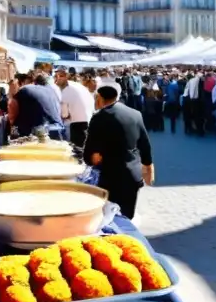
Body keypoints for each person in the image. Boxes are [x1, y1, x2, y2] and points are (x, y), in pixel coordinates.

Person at [83, 86, 155, 219]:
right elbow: (145, 144)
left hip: (110, 176)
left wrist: (91, 158)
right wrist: (148, 166)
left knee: (110, 218)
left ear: (100, 98)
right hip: (132, 174)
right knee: (127, 217)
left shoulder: (99, 117)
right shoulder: (135, 114)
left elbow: (90, 151)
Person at [9, 72, 63, 139]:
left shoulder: (25, 89)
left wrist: (11, 95)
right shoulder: (51, 91)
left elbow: (11, 108)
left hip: (37, 132)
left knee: (15, 133)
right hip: (56, 129)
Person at [55, 68, 96, 147]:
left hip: (77, 124)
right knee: (84, 146)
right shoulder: (78, 86)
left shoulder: (66, 90)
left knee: (76, 148)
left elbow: (64, 114)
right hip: (89, 120)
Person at [183, 71, 203, 135]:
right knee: (195, 115)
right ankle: (195, 129)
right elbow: (192, 91)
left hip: (188, 99)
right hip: (192, 100)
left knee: (188, 116)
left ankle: (188, 129)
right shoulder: (195, 81)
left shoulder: (192, 80)